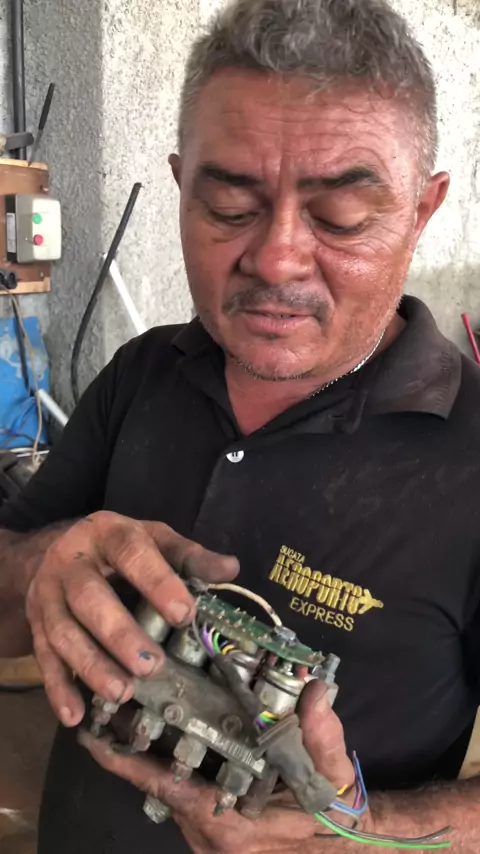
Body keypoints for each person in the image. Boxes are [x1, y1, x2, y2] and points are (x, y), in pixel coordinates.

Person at [1, 0, 480, 850]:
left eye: (341, 217)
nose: (276, 257)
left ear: (421, 209)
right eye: (228, 206)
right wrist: (43, 566)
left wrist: (358, 834)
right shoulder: (143, 373)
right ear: (181, 185)